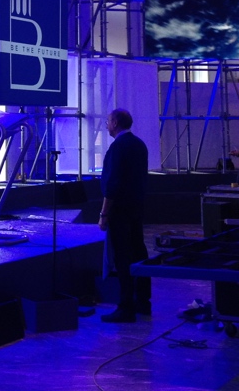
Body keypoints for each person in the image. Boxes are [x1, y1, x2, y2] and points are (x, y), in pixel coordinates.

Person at [98, 108, 150, 323]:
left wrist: (104, 213)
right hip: (136, 207)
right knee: (139, 252)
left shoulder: (117, 147)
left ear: (116, 123)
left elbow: (112, 184)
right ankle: (143, 301)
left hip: (120, 211)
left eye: (108, 121)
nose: (106, 125)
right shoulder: (139, 145)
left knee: (122, 257)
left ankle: (125, 307)